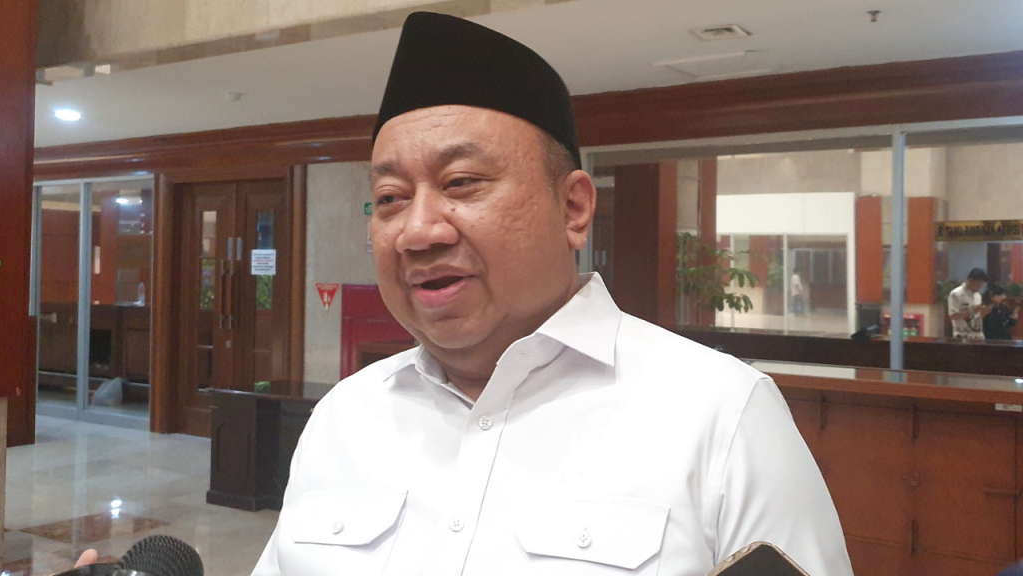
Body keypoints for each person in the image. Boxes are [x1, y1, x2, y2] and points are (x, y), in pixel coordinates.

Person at [239, 13, 851, 576]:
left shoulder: (721, 415)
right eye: (391, 198)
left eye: (461, 182)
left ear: (573, 208)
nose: (418, 231)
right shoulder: (344, 418)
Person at [948, 268, 991, 339]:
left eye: (981, 285)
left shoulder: (977, 295)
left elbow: (976, 317)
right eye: (978, 284)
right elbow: (953, 316)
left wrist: (983, 312)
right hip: (962, 335)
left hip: (978, 335)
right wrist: (971, 311)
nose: (979, 287)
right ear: (970, 280)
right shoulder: (956, 294)